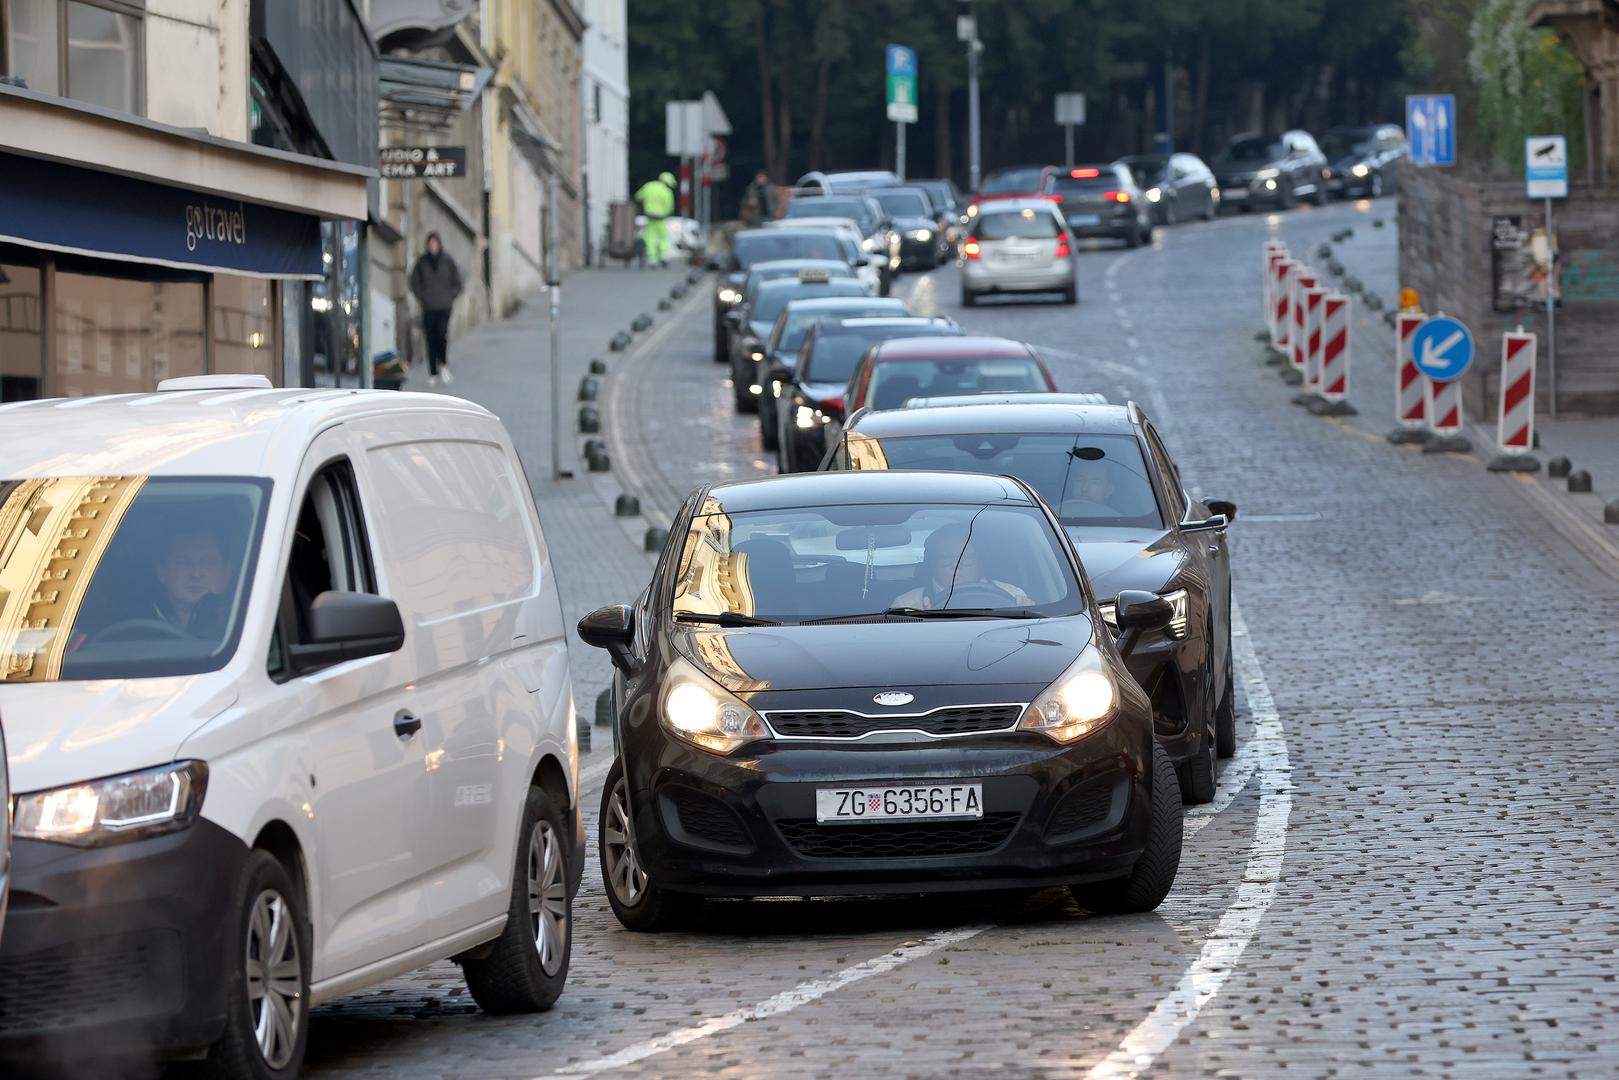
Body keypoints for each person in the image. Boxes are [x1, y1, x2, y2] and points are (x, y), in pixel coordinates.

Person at [893, 526, 1033, 610]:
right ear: (934, 562)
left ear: (980, 563)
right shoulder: (907, 604)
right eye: (946, 558)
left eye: (965, 559)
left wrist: (1027, 613)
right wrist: (912, 620)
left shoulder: (1013, 597)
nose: (956, 565)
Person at [409, 232, 463, 386]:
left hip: (444, 307)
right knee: (430, 339)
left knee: (442, 336)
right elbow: (414, 282)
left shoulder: (447, 260)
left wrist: (450, 296)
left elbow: (458, 282)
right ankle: (433, 372)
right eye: (430, 244)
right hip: (428, 307)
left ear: (439, 244)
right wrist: (422, 296)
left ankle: (443, 365)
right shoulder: (422, 262)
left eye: (435, 243)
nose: (433, 246)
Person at [153, 531, 230, 638]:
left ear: (227, 572)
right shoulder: (138, 636)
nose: (197, 574)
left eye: (208, 563)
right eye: (184, 563)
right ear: (162, 572)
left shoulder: (250, 627)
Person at [635, 172, 677, 266]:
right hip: (661, 217)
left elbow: (638, 197)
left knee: (650, 237)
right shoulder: (667, 191)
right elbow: (670, 206)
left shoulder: (648, 186)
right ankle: (664, 256)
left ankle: (652, 258)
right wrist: (667, 213)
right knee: (663, 237)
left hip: (650, 216)